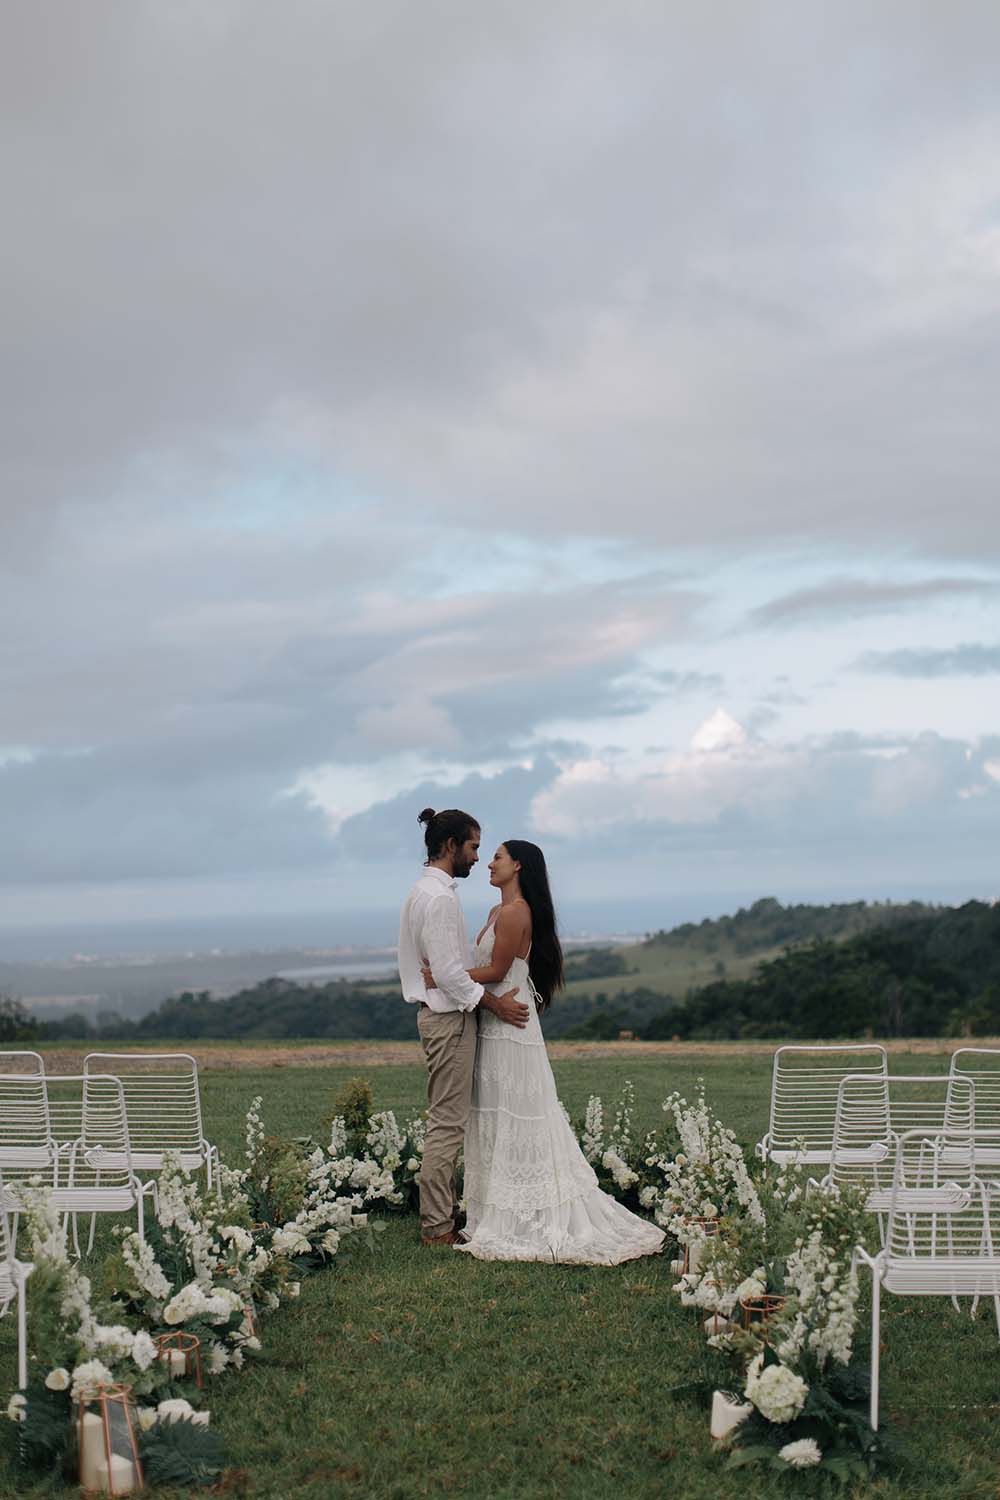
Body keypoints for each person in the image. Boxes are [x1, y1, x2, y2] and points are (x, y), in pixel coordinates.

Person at [423, 839, 664, 1264]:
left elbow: (497, 971)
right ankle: (492, 1212)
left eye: (496, 857)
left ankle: (527, 1215)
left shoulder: (517, 912)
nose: (488, 865)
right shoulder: (498, 911)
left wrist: (441, 978)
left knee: (518, 1112)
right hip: (494, 1025)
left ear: (518, 866)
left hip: (510, 1030)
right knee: (494, 1114)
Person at [399, 808, 529, 1246]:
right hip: (448, 1020)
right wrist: (495, 1005)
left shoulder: (426, 891)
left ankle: (444, 1215)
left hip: (444, 1016)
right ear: (451, 846)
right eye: (473, 847)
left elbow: (449, 970)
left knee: (447, 1120)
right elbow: (451, 976)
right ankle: (437, 1227)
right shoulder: (437, 898)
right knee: (447, 1124)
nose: (477, 858)